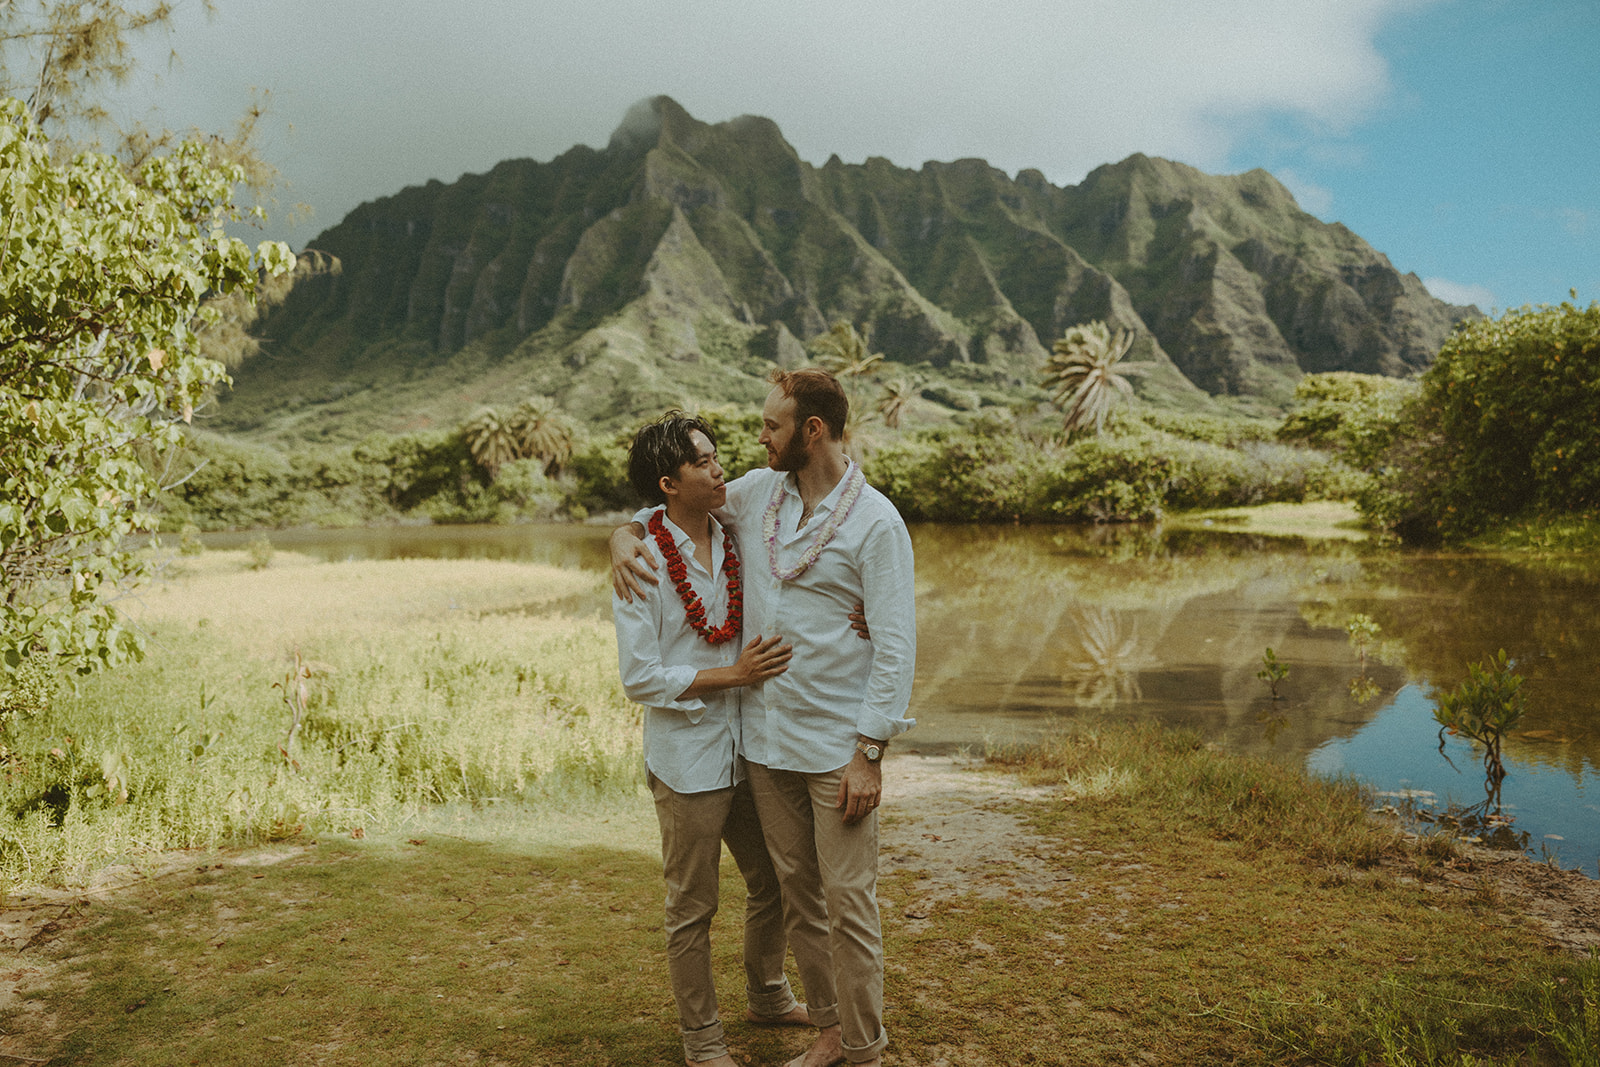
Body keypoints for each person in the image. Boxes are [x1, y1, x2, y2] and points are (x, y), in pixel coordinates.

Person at [615, 369, 917, 1067]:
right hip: (765, 745)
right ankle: (830, 1031)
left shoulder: (876, 522)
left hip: (838, 746)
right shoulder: (757, 497)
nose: (758, 438)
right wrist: (623, 539)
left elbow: (897, 644)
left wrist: (870, 751)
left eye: (771, 426)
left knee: (849, 901)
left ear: (812, 430)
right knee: (800, 897)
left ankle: (865, 1046)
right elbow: (664, 507)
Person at [612, 412, 811, 1067]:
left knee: (776, 879)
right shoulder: (642, 558)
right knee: (693, 906)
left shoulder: (732, 533)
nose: (719, 466)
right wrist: (735, 673)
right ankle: (702, 1041)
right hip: (687, 759)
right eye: (703, 461)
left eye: (718, 454)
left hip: (746, 748)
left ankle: (769, 994)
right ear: (670, 482)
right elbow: (640, 676)